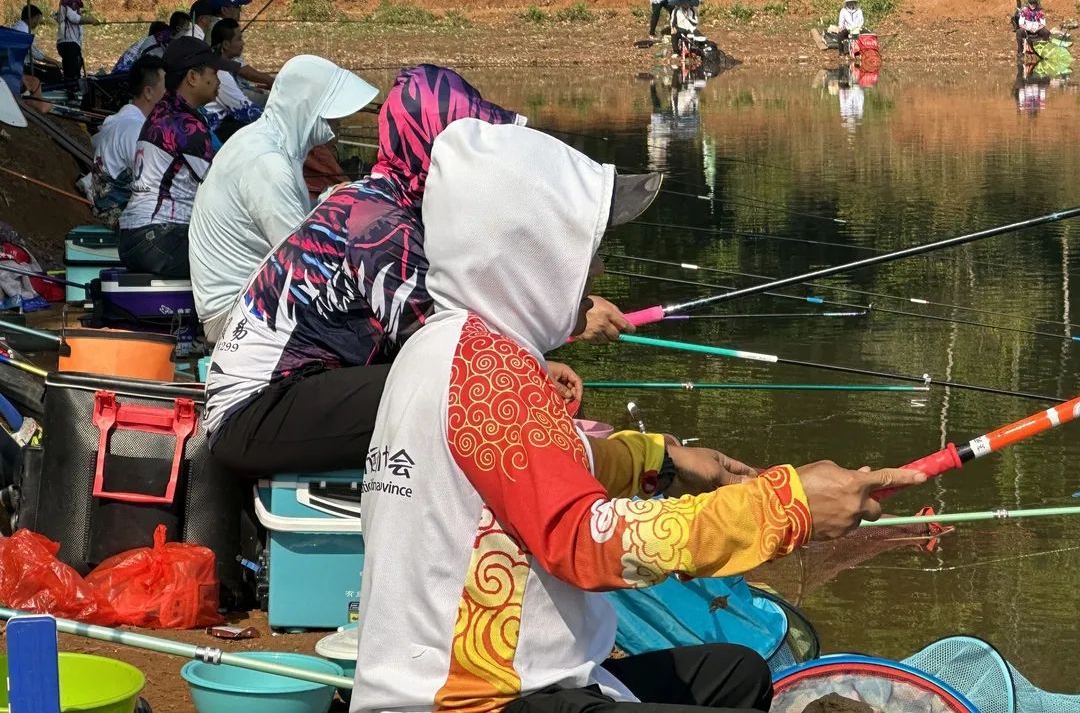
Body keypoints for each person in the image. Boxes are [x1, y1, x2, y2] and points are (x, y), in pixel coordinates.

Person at [348, 118, 928, 713]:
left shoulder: (445, 347)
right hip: (474, 702)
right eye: (585, 251)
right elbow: (589, 544)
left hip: (497, 683)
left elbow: (536, 468)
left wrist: (664, 461)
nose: (596, 272)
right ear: (529, 252)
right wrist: (786, 507)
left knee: (737, 675)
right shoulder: (491, 372)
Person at [202, 64, 634, 476]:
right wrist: (565, 321)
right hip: (257, 411)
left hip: (289, 396)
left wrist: (534, 367)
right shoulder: (379, 226)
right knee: (459, 385)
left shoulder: (385, 201)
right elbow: (452, 346)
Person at [190, 54, 378, 341]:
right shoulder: (267, 162)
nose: (336, 122)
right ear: (306, 107)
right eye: (329, 113)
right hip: (236, 315)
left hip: (257, 297)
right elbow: (304, 258)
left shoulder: (266, 141)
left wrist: (330, 200)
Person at [117, 37, 232, 278]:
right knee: (242, 263)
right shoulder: (185, 124)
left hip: (133, 235)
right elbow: (222, 188)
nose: (218, 80)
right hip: (160, 237)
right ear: (192, 77)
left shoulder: (164, 111)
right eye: (213, 72)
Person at [87, 56, 167, 228]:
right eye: (165, 87)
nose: (169, 94)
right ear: (148, 92)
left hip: (110, 209)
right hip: (119, 218)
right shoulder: (134, 129)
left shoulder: (123, 120)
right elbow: (155, 182)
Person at [202, 17, 264, 137]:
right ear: (225, 44)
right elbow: (247, 112)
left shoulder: (221, 66)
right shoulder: (220, 74)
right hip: (218, 131)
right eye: (239, 39)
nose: (243, 43)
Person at [56, 0, 102, 99]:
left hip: (70, 41)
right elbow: (74, 18)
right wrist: (90, 19)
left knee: (76, 66)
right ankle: (70, 97)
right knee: (72, 73)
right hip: (68, 41)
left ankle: (72, 94)